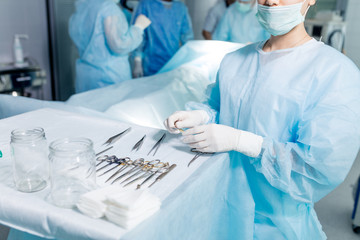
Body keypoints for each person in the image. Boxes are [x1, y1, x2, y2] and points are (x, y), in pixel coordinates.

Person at [164, 0, 360, 239]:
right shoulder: (235, 60)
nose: (271, 1)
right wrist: (202, 115)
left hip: (277, 224)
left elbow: (317, 167)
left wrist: (244, 142)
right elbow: (222, 108)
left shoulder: (335, 73)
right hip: (219, 209)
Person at [69, 0, 151, 93]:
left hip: (85, 76)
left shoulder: (82, 7)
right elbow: (118, 45)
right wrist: (138, 28)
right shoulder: (108, 8)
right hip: (108, 77)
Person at [131, 0, 194, 78]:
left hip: (173, 63)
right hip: (152, 64)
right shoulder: (146, 5)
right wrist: (137, 60)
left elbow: (187, 37)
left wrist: (190, 59)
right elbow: (138, 33)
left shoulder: (180, 8)